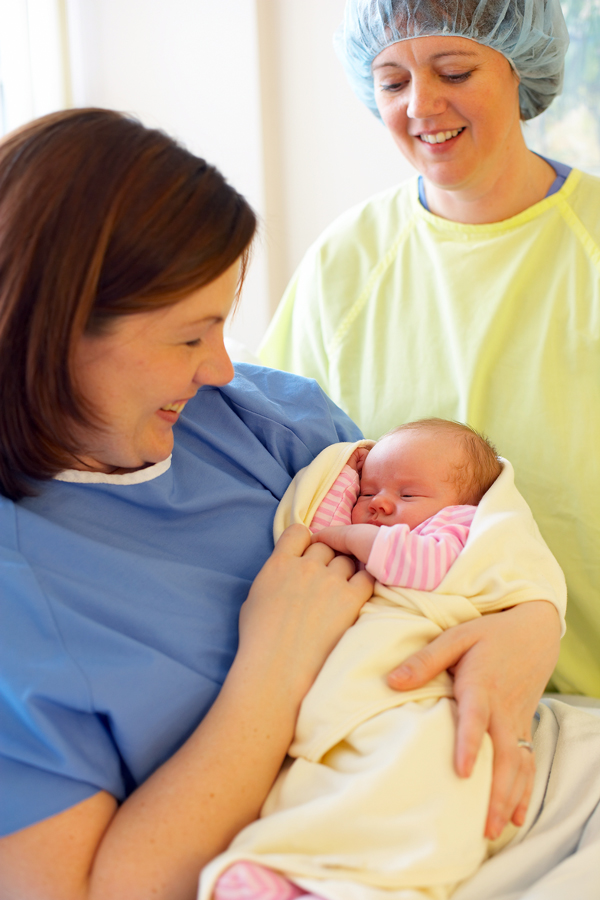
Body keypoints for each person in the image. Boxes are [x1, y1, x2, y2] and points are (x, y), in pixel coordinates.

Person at [0, 108, 376, 900]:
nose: (223, 369)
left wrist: (519, 629)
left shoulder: (261, 419)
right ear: (55, 330)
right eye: (190, 337)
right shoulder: (18, 593)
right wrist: (274, 662)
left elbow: (468, 540)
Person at [259, 0, 599, 838]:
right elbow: (286, 477)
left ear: (521, 71)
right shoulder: (347, 264)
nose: (420, 106)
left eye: (454, 72)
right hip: (400, 712)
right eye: (392, 80)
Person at [199, 420, 566, 900]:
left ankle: (368, 885)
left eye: (409, 495)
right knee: (319, 781)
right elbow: (319, 530)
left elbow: (414, 561)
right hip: (350, 690)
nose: (381, 503)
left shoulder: (457, 530)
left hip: (424, 694)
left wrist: (357, 535)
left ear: (466, 505)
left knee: (416, 772)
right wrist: (350, 479)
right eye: (369, 490)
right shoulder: (367, 529)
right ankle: (287, 868)